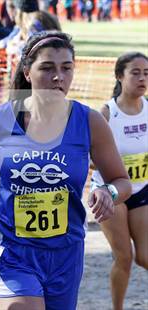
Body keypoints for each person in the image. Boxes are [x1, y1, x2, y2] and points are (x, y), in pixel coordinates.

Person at [0, 31, 132, 310]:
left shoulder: (89, 121)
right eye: (47, 68)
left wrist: (107, 191)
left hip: (65, 253)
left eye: (66, 68)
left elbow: (121, 181)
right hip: (9, 248)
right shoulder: (0, 118)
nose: (58, 77)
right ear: (27, 72)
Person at [91, 52, 148, 310]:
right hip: (109, 191)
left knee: (145, 257)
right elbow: (87, 155)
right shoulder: (107, 113)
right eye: (135, 72)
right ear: (119, 76)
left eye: (146, 73)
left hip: (141, 188)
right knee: (124, 257)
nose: (142, 78)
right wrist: (109, 163)